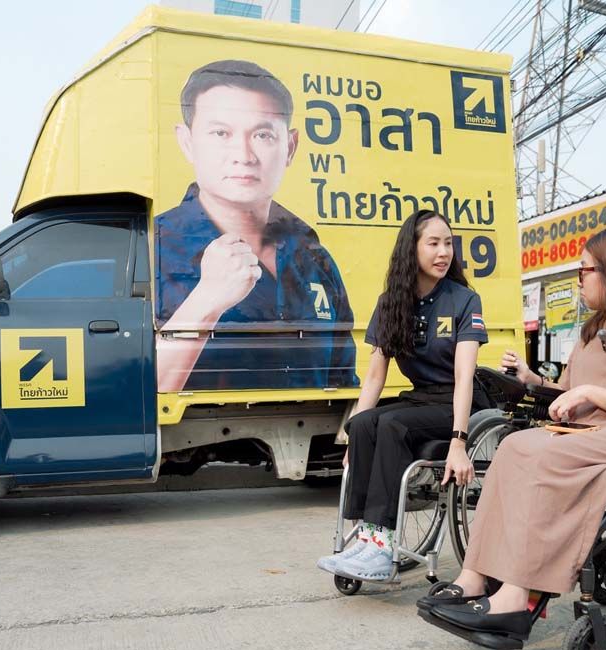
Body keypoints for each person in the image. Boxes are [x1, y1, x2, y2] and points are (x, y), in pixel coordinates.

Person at [419, 227, 606, 640]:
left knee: (547, 455)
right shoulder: (594, 330)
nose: (579, 280)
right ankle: (476, 576)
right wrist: (532, 381)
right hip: (596, 432)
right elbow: (569, 394)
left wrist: (592, 393)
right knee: (513, 446)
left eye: (584, 271)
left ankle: (516, 597)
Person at [154, 59, 356, 392]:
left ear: (290, 147)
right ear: (187, 142)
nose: (243, 155)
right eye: (221, 133)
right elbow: (134, 393)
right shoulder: (154, 248)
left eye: (262, 135)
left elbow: (343, 379)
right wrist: (206, 300)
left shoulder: (314, 257)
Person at [316, 210, 490, 582]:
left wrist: (459, 443)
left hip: (457, 404)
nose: (444, 252)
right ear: (411, 250)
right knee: (363, 424)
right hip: (421, 399)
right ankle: (366, 536)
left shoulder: (464, 300)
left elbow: (464, 377)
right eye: (434, 243)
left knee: (393, 424)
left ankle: (382, 544)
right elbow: (374, 377)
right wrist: (353, 439)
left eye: (448, 243)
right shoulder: (391, 303)